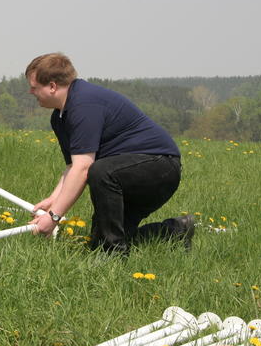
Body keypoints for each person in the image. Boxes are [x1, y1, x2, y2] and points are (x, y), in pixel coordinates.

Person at [26, 53, 194, 254]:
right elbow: (73, 165)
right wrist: (53, 200)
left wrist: (53, 217)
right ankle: (176, 230)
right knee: (100, 242)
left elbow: (83, 168)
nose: (31, 92)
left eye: (34, 87)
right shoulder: (60, 116)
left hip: (159, 167)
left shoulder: (83, 104)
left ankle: (113, 255)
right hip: (128, 173)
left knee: (101, 171)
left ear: (52, 86)